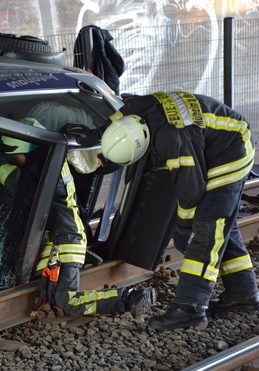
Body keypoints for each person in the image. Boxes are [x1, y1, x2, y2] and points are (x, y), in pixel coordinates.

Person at [99, 91, 259, 330]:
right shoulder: (132, 109)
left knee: (208, 227)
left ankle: (190, 308)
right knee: (221, 223)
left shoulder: (172, 140)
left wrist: (183, 229)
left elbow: (191, 192)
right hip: (215, 137)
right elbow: (114, 119)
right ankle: (243, 293)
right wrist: (94, 134)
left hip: (232, 150)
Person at [0, 106, 155, 317]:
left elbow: (13, 179)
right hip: (61, 240)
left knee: (68, 302)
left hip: (66, 245)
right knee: (53, 295)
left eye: (15, 156)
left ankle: (128, 298)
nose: (15, 161)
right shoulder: (51, 165)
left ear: (25, 152)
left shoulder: (42, 176)